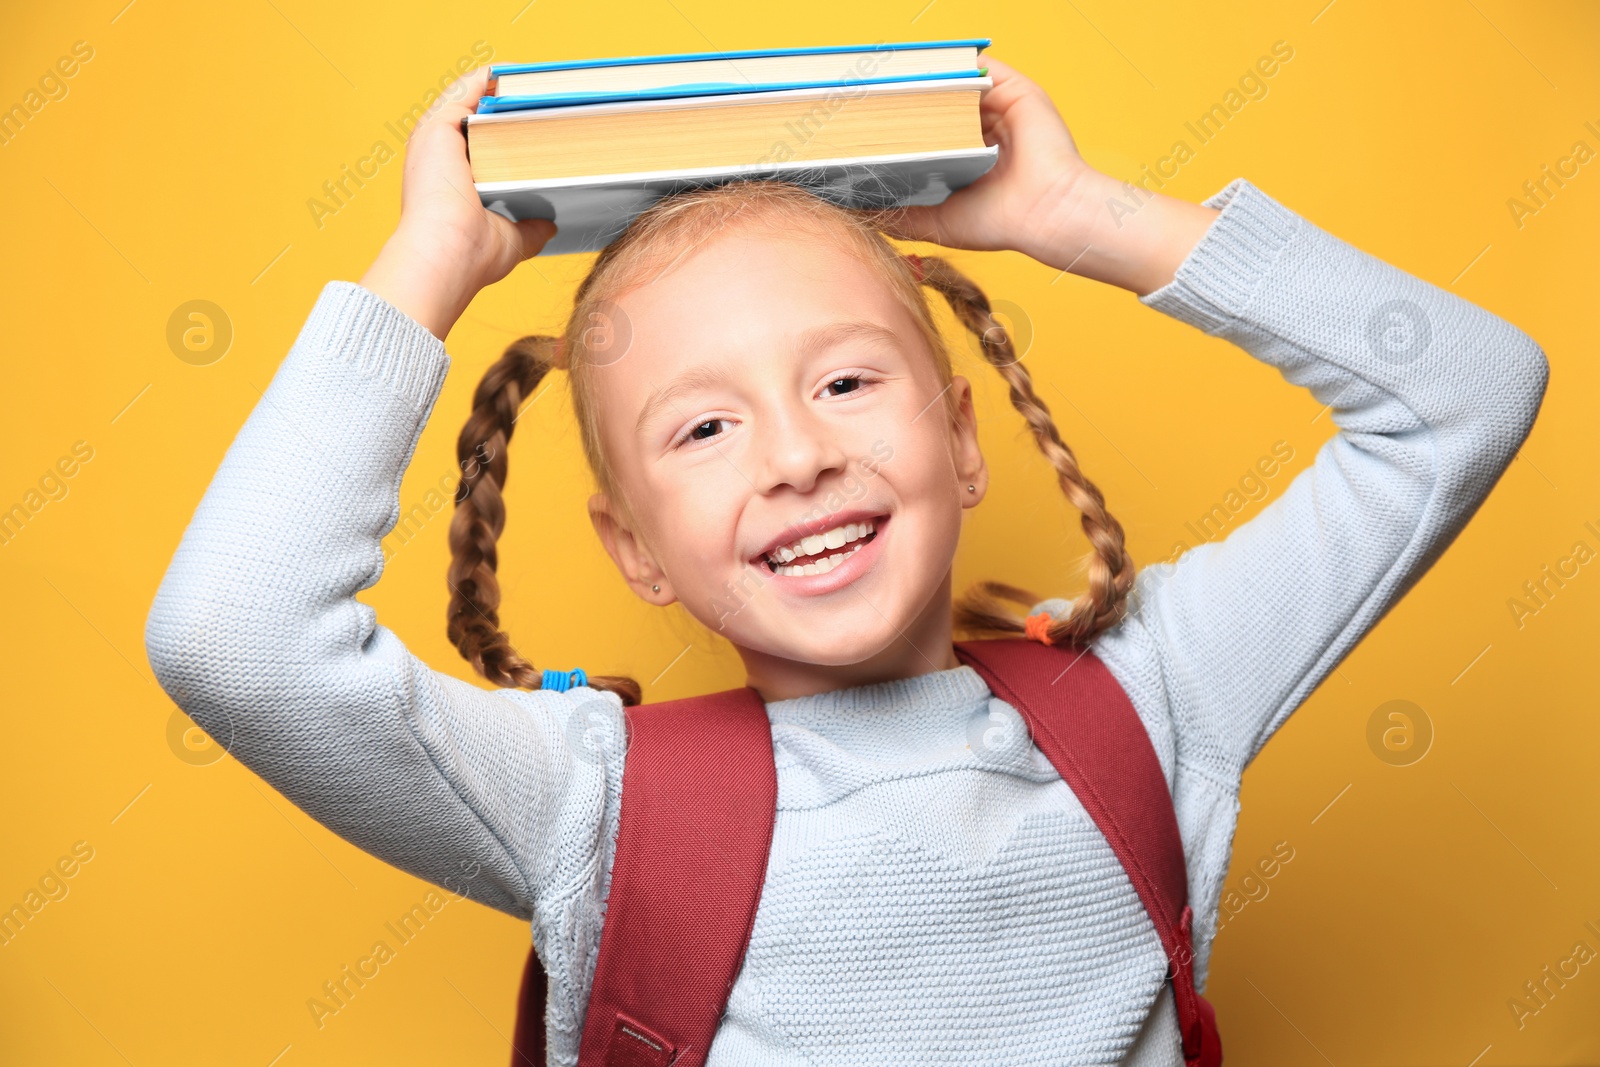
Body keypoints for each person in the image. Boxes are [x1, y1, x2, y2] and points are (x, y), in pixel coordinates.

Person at [145, 55, 1548, 1065]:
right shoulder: (592, 804)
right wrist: (429, 262)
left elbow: (1467, 394)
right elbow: (236, 639)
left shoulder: (1154, 700)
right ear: (634, 552)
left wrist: (1077, 219)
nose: (794, 456)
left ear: (964, 441)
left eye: (847, 385)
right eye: (703, 425)